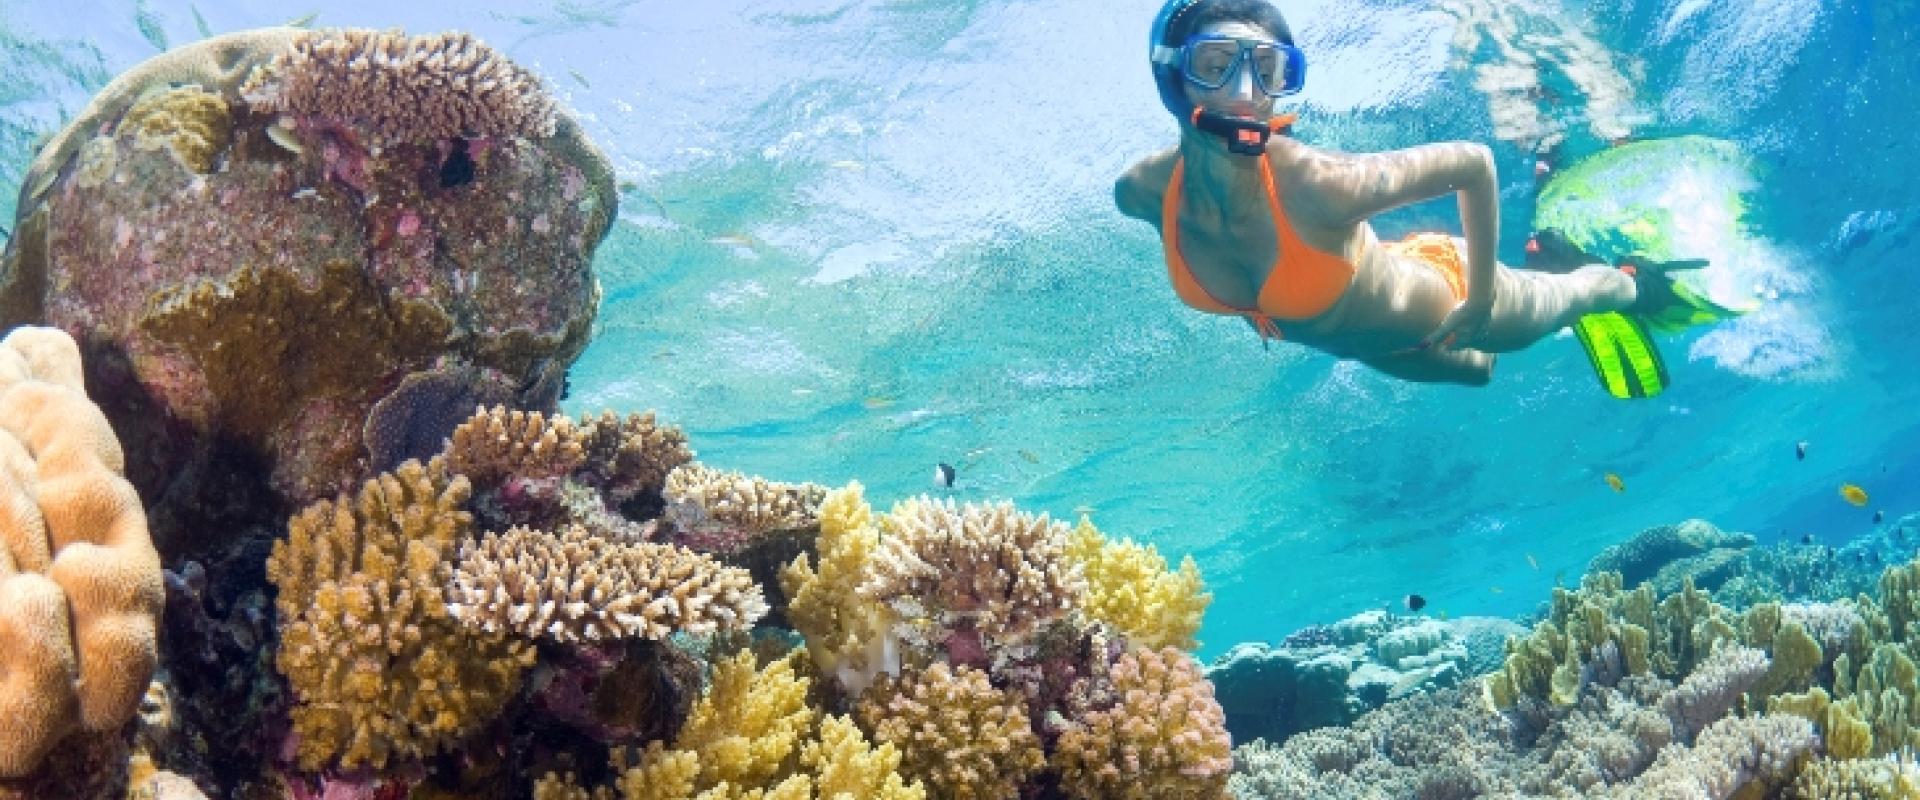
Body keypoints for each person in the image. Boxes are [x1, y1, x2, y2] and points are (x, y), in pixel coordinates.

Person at [1113, 0, 1722, 390]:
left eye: (1269, 71)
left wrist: (1480, 299)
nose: (1246, 91)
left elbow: (1473, 163)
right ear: (1170, 76)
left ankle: (1630, 281)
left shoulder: (1316, 184)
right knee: (1478, 377)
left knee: (1565, 302)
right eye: (1214, 64)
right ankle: (1546, 267)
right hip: (1377, 346)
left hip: (1446, 292)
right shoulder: (1142, 193)